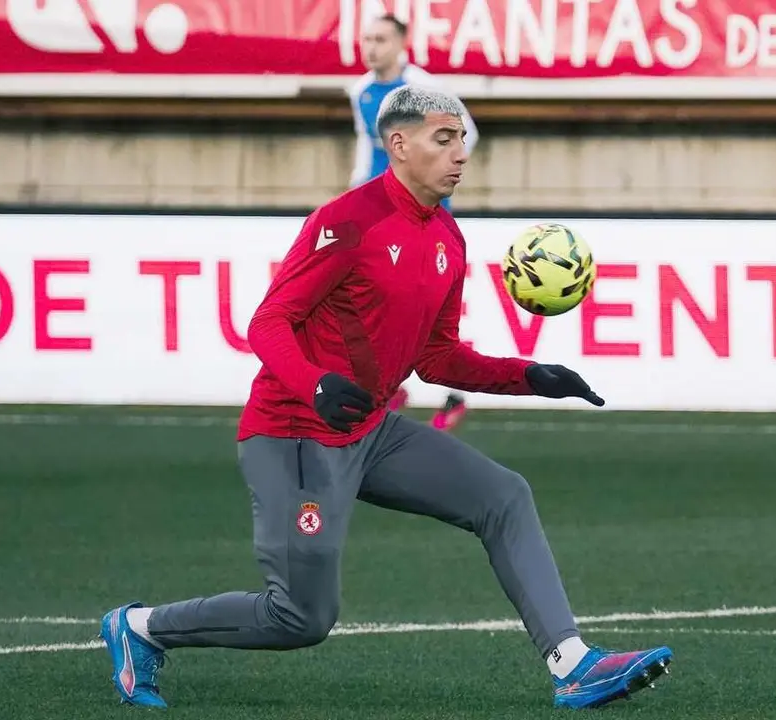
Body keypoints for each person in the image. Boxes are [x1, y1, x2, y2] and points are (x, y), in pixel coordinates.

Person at [100, 85, 673, 712]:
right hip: (295, 435)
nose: (460, 155)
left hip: (370, 431)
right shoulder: (347, 221)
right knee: (301, 618)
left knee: (503, 495)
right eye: (444, 139)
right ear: (398, 145)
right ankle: (139, 628)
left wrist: (529, 375)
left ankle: (573, 665)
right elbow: (267, 322)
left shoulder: (448, 239)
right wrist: (315, 384)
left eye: (462, 141)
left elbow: (437, 357)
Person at [349, 13, 475, 432]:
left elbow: (466, 133)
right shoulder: (361, 92)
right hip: (380, 214)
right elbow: (366, 149)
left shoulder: (423, 90)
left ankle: (453, 392)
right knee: (377, 300)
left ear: (401, 44)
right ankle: (393, 387)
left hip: (423, 213)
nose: (371, 47)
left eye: (380, 39)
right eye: (366, 39)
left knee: (427, 301)